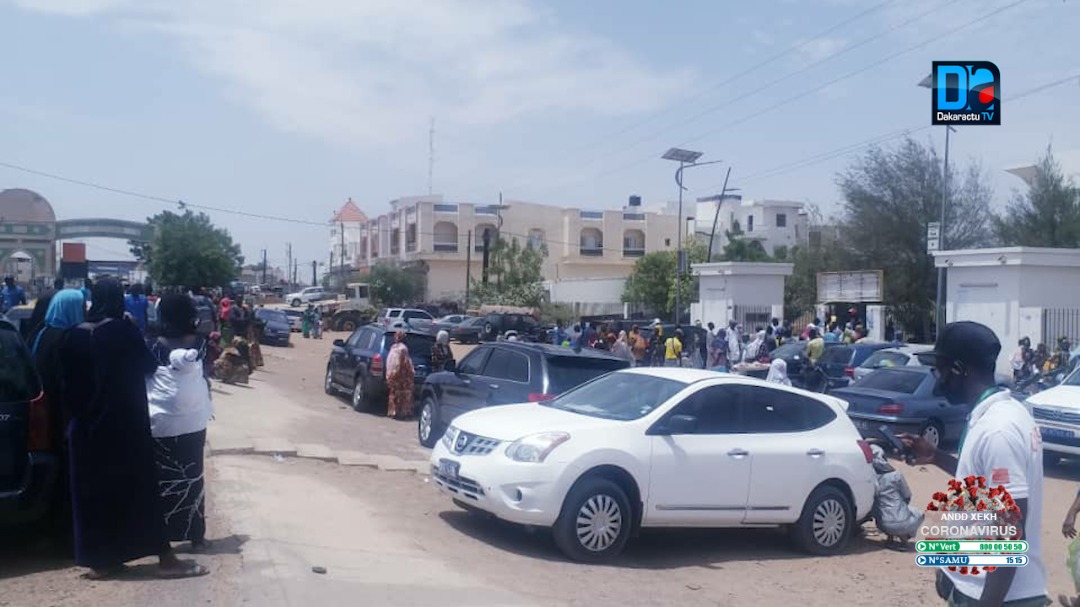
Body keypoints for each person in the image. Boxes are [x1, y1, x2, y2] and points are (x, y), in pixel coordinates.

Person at [58, 278, 207, 579]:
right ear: (119, 300)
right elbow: (148, 366)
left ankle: (102, 562)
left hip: (84, 432)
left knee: (93, 499)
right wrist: (133, 330)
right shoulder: (121, 331)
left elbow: (65, 385)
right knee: (140, 494)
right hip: (124, 429)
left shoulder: (71, 335)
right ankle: (166, 560)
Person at [900, 321, 1045, 607]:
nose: (936, 378)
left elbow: (1009, 531)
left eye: (939, 369)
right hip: (981, 588)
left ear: (959, 370)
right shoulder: (1000, 414)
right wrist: (937, 456)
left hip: (998, 597)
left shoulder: (998, 430)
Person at [146, 294, 213, 552]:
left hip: (160, 422)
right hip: (195, 421)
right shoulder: (200, 342)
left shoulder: (152, 345)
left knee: (162, 481)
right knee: (194, 476)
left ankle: (162, 538)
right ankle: (196, 537)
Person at [29, 289, 85, 542]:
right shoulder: (67, 339)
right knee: (68, 475)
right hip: (64, 416)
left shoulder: (40, 334)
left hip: (41, 415)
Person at [869, 444, 923, 552]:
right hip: (901, 522)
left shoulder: (871, 478)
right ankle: (904, 540)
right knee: (918, 514)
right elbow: (907, 495)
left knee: (883, 510)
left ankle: (890, 538)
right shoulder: (896, 474)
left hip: (882, 524)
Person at [385, 331, 415, 419]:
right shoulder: (402, 348)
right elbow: (405, 362)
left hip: (395, 374)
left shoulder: (395, 347)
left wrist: (391, 373)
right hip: (401, 375)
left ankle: (394, 412)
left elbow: (392, 361)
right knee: (402, 394)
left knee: (395, 393)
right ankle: (401, 413)